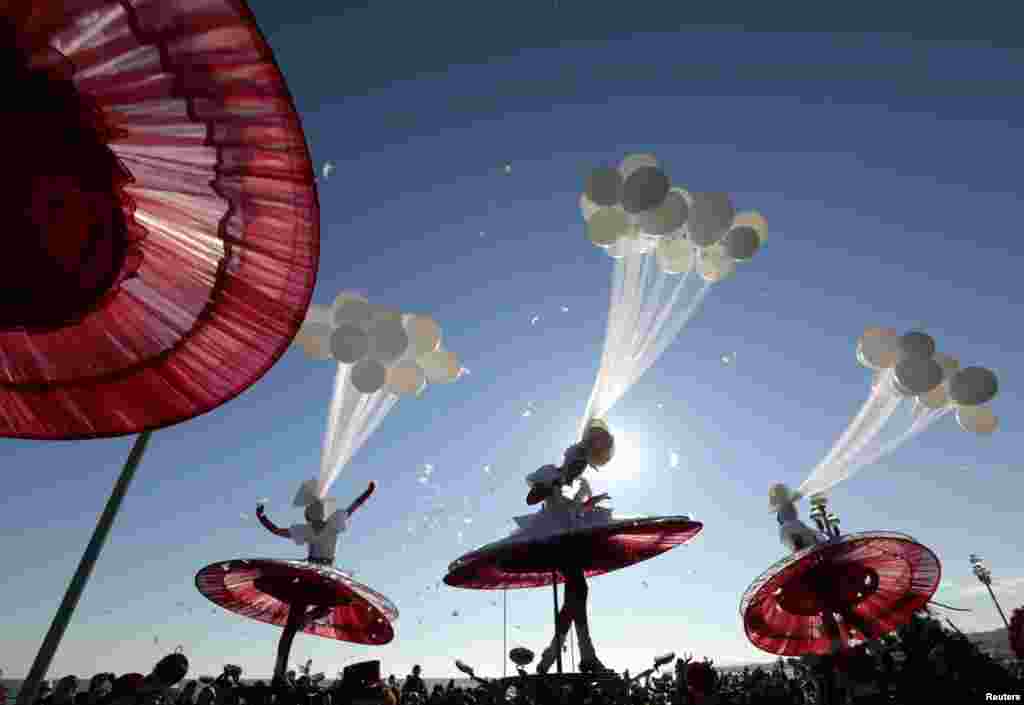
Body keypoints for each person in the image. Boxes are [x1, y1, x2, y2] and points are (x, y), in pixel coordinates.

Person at [256, 480, 376, 681]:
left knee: (335, 602)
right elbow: (277, 531)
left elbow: (354, 506)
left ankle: (307, 620)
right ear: (309, 515)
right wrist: (263, 517)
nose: (315, 513)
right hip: (309, 574)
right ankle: (279, 671)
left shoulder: (335, 522)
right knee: (292, 624)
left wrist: (368, 492)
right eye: (312, 511)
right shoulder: (306, 529)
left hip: (324, 574)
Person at [528, 421, 615, 675]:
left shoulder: (579, 483)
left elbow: (574, 511)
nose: (581, 467)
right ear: (570, 459)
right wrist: (550, 485)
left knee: (574, 598)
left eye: (584, 464)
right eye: (578, 462)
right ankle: (585, 655)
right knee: (579, 589)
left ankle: (552, 656)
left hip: (573, 541)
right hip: (555, 542)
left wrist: (590, 503)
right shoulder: (552, 473)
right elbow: (531, 498)